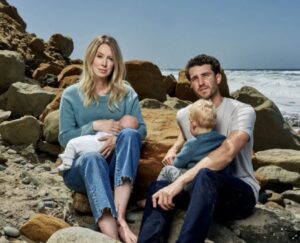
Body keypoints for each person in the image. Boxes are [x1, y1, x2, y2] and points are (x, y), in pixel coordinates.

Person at [138, 54, 259, 243]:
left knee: (205, 174)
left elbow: (227, 153)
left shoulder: (242, 111)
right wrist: (174, 148)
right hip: (197, 194)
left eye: (206, 75)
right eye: (195, 78)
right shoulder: (184, 114)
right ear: (190, 84)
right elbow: (186, 135)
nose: (201, 82)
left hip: (237, 194)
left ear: (218, 78)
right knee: (158, 186)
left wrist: (179, 182)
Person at [58, 35, 147, 243]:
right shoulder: (71, 95)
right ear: (90, 58)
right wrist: (95, 126)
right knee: (92, 158)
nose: (104, 63)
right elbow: (64, 138)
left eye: (110, 58)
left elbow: (141, 130)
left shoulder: (126, 92)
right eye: (100, 56)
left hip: (114, 168)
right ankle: (111, 237)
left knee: (131, 133)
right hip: (80, 170)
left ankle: (121, 219)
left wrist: (118, 138)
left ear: (116, 63)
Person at [157, 99, 228, 183]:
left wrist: (173, 161)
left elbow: (178, 163)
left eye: (189, 121)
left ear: (193, 125)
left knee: (167, 170)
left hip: (191, 181)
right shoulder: (223, 140)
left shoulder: (192, 144)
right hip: (215, 180)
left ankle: (157, 193)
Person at [58, 115, 138, 172]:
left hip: (99, 155)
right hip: (94, 147)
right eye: (119, 123)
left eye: (123, 129)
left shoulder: (129, 95)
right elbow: (64, 138)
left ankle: (67, 161)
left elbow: (138, 133)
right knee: (74, 145)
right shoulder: (111, 125)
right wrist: (93, 126)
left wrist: (118, 139)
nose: (117, 125)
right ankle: (67, 159)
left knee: (74, 145)